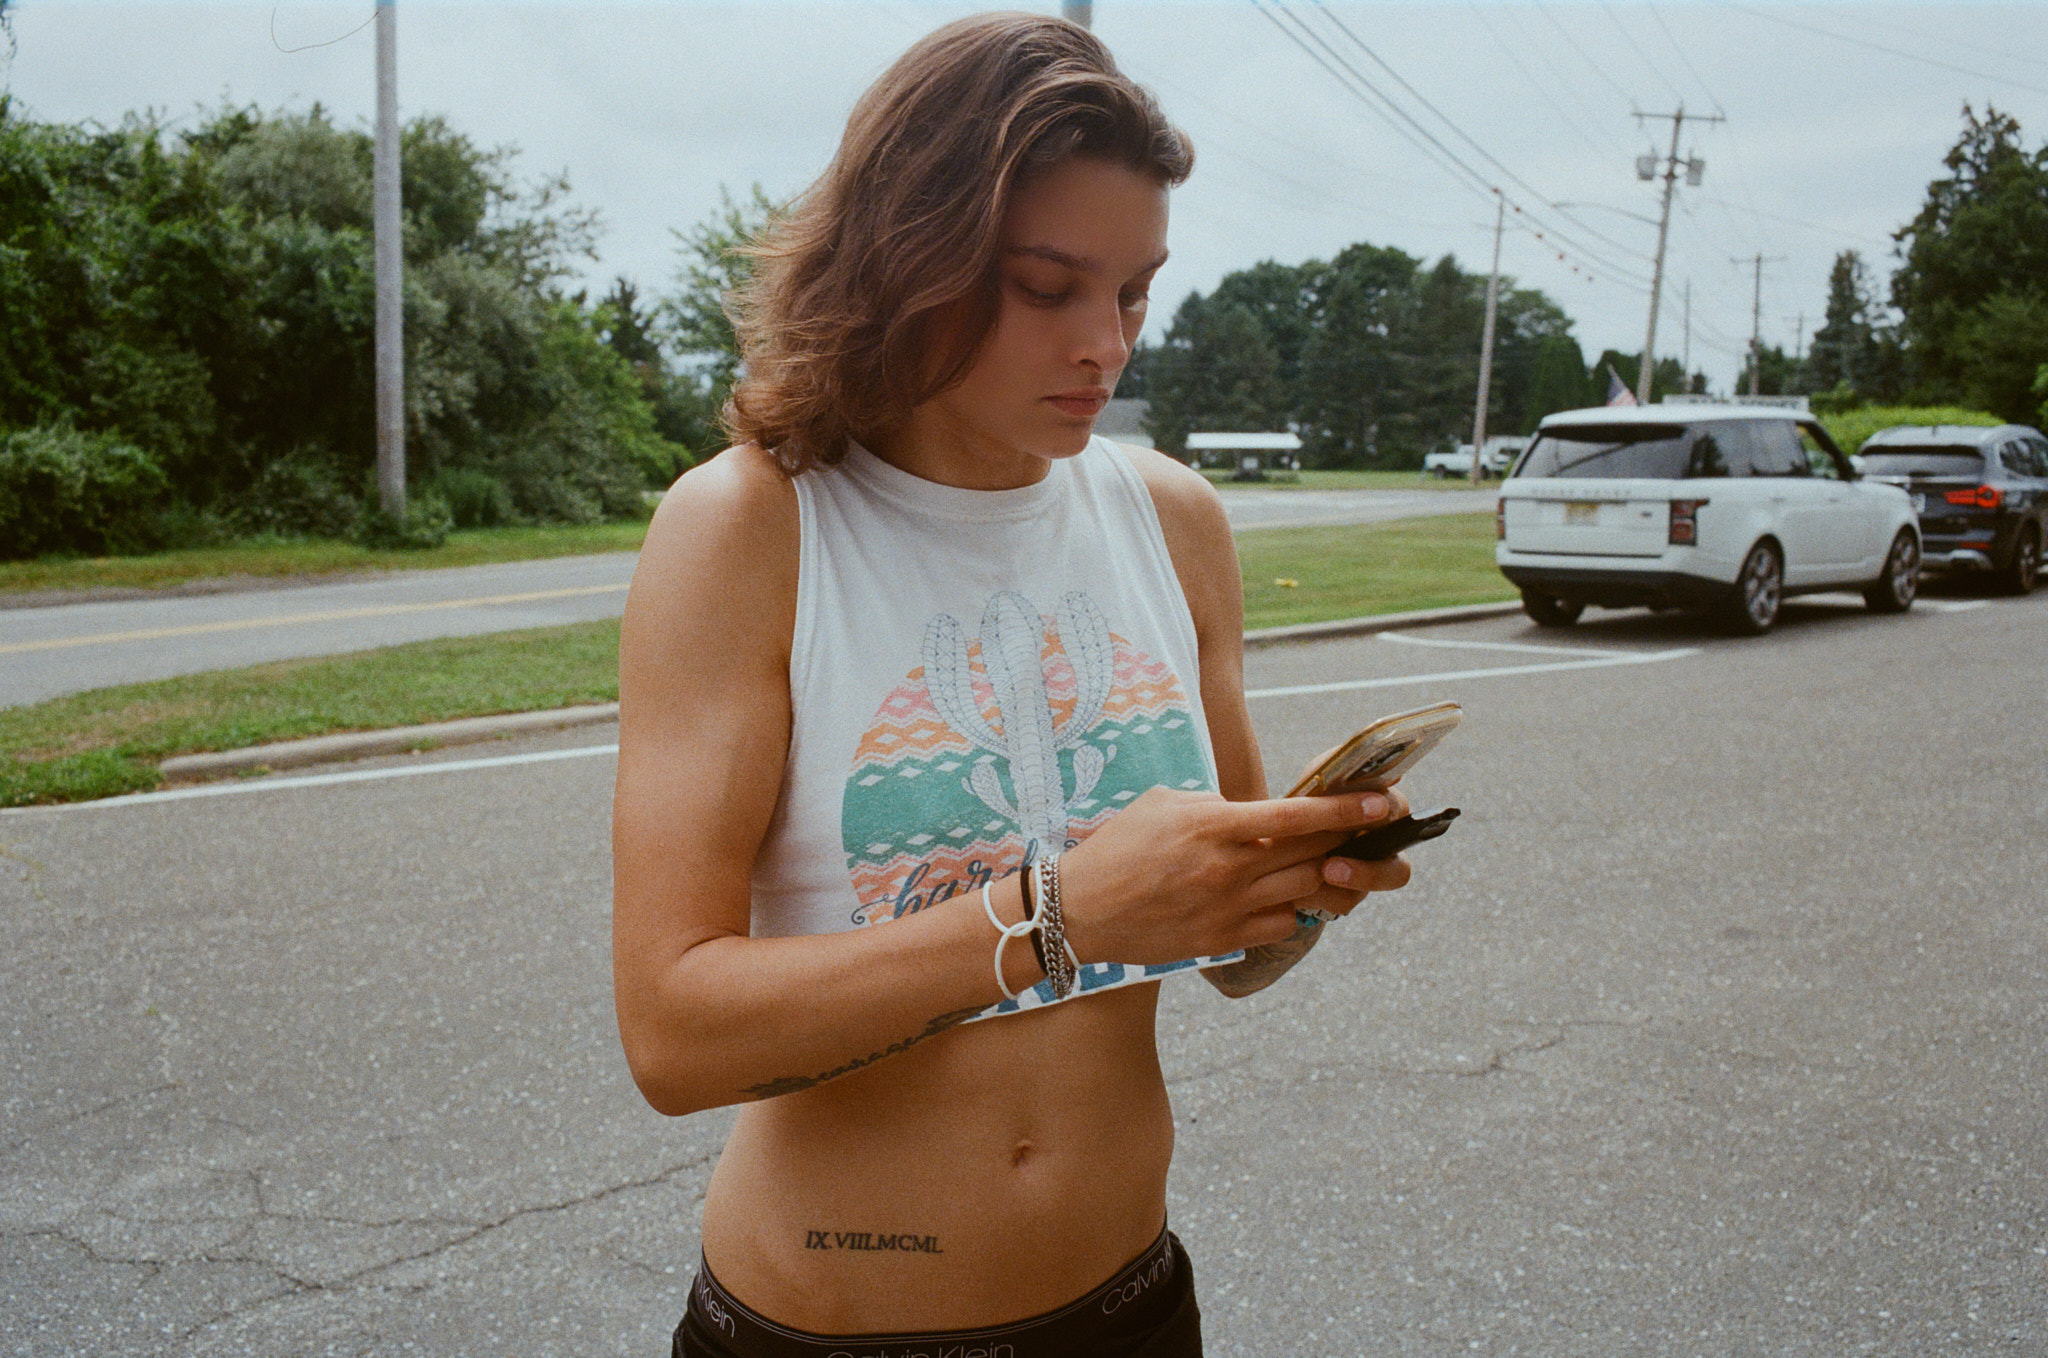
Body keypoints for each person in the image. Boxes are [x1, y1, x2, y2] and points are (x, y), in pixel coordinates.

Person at [611, 14, 1415, 1355]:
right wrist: (1062, 916)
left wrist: (1300, 881)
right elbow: (672, 1034)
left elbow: (1228, 954)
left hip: (1132, 1307)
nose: (1108, 342)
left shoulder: (1173, 520)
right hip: (829, 1330)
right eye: (1050, 288)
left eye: (1137, 290)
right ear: (907, 260)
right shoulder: (752, 529)